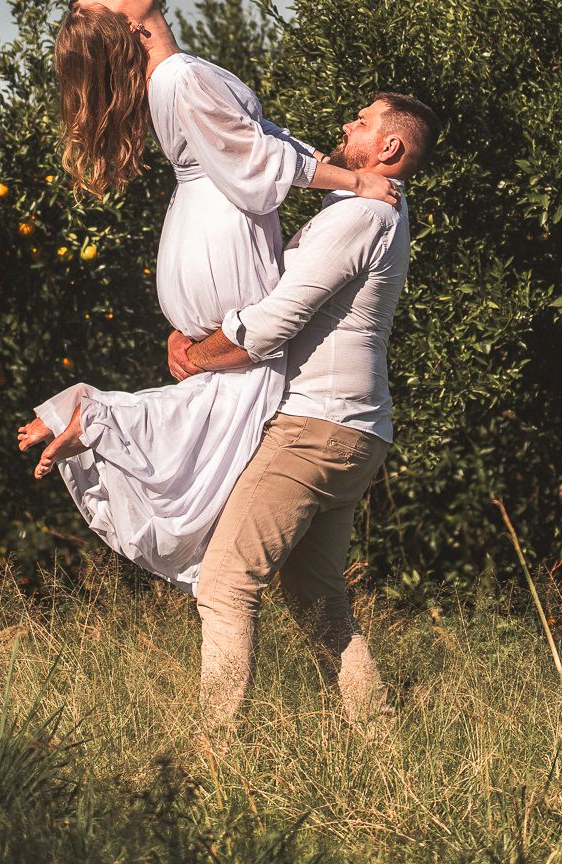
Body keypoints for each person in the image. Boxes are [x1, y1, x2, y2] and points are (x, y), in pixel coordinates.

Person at [16, 0, 398, 591]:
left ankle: (95, 420)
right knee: (247, 382)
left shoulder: (170, 77)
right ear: (128, 28)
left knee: (227, 395)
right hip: (222, 229)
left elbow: (261, 142)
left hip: (201, 231)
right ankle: (98, 422)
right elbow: (257, 159)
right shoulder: (176, 77)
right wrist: (356, 184)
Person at [168, 89, 438, 725]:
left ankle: (214, 756)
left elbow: (274, 321)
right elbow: (271, 145)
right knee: (319, 601)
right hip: (355, 429)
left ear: (390, 148)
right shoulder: (371, 212)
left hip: (314, 427)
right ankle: (381, 744)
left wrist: (198, 356)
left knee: (226, 585)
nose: (348, 124)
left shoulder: (359, 217)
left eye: (363, 121)